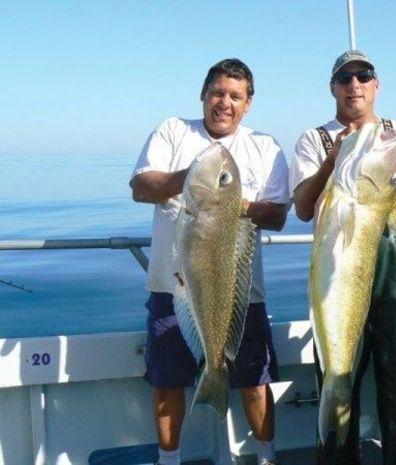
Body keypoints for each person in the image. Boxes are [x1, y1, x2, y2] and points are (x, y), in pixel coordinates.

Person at [289, 50, 396, 465]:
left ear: (376, 85)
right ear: (332, 88)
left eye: (363, 76)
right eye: (344, 78)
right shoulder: (316, 140)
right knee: (337, 375)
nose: (354, 85)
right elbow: (303, 208)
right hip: (339, 280)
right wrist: (333, 160)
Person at [130, 58, 289, 465]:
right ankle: (168, 461)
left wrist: (231, 200)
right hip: (173, 285)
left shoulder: (265, 147)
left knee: (255, 382)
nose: (225, 102)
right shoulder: (173, 131)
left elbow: (277, 215)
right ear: (203, 95)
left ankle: (267, 457)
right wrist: (193, 178)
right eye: (218, 93)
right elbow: (141, 186)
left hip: (241, 293)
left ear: (248, 103)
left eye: (236, 96)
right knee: (167, 383)